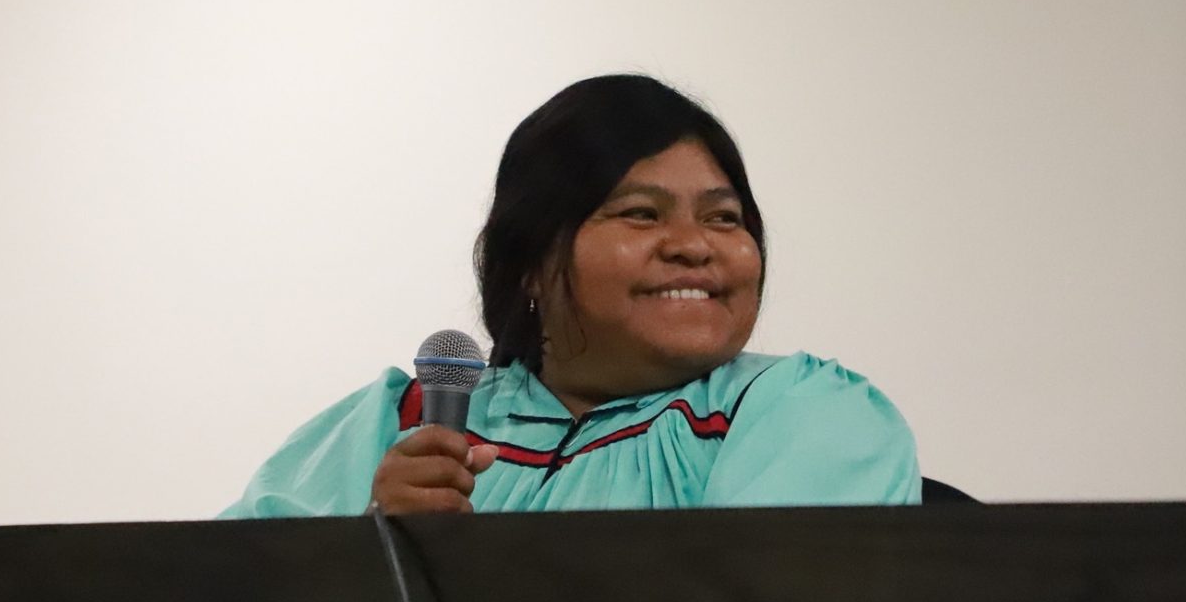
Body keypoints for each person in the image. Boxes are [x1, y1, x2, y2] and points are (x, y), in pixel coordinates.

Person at [220, 74, 920, 517]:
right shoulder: (392, 426)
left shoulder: (806, 412)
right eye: (641, 214)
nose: (693, 245)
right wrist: (368, 555)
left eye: (723, 218)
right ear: (530, 258)